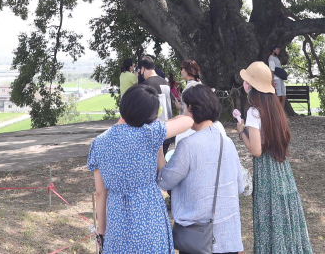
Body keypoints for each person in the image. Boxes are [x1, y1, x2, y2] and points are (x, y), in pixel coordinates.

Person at [88, 83, 195, 253]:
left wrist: (102, 232)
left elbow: (100, 193)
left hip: (117, 220)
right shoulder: (150, 133)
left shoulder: (99, 142)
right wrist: (157, 124)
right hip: (149, 214)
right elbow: (188, 120)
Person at [235, 61, 313, 254]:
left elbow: (256, 150)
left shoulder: (254, 112)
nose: (244, 85)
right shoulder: (276, 108)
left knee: (269, 217)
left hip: (267, 173)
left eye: (246, 82)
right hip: (282, 169)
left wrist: (241, 132)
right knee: (284, 217)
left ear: (251, 87)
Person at [158, 85, 245, 254]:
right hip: (229, 237)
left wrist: (159, 145)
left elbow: (164, 181)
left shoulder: (188, 145)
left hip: (197, 239)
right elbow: (240, 186)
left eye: (184, 107)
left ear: (191, 108)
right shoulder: (227, 142)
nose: (183, 112)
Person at [268, 45, 288, 110]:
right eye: (277, 49)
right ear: (273, 50)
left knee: (284, 97)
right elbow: (271, 71)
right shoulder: (271, 58)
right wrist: (272, 82)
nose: (279, 51)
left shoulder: (276, 58)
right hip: (276, 79)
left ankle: (281, 112)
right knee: (278, 96)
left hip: (281, 79)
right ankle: (277, 113)